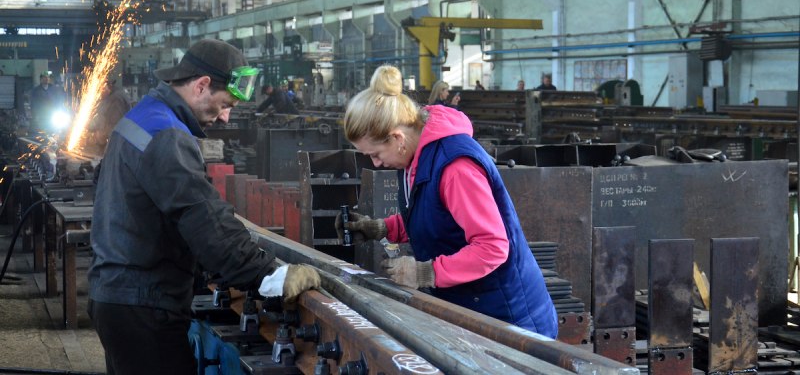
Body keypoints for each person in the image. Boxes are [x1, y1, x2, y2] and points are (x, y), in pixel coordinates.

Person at [88, 39, 320, 374]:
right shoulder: (166, 134)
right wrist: (268, 275)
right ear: (201, 86)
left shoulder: (143, 117)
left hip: (119, 296)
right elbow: (202, 215)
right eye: (224, 104)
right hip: (143, 306)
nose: (225, 117)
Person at [336, 65, 558, 337]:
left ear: (397, 138)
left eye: (376, 154)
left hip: (509, 319)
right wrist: (381, 228)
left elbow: (492, 247)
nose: (376, 163)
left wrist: (424, 273)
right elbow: (435, 216)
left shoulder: (455, 168)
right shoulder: (415, 158)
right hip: (472, 308)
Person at [85, 79, 132, 156]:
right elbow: (101, 115)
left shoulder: (116, 99)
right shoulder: (110, 97)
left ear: (108, 87)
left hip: (117, 144)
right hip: (114, 142)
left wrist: (98, 133)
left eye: (100, 90)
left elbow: (113, 125)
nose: (99, 94)